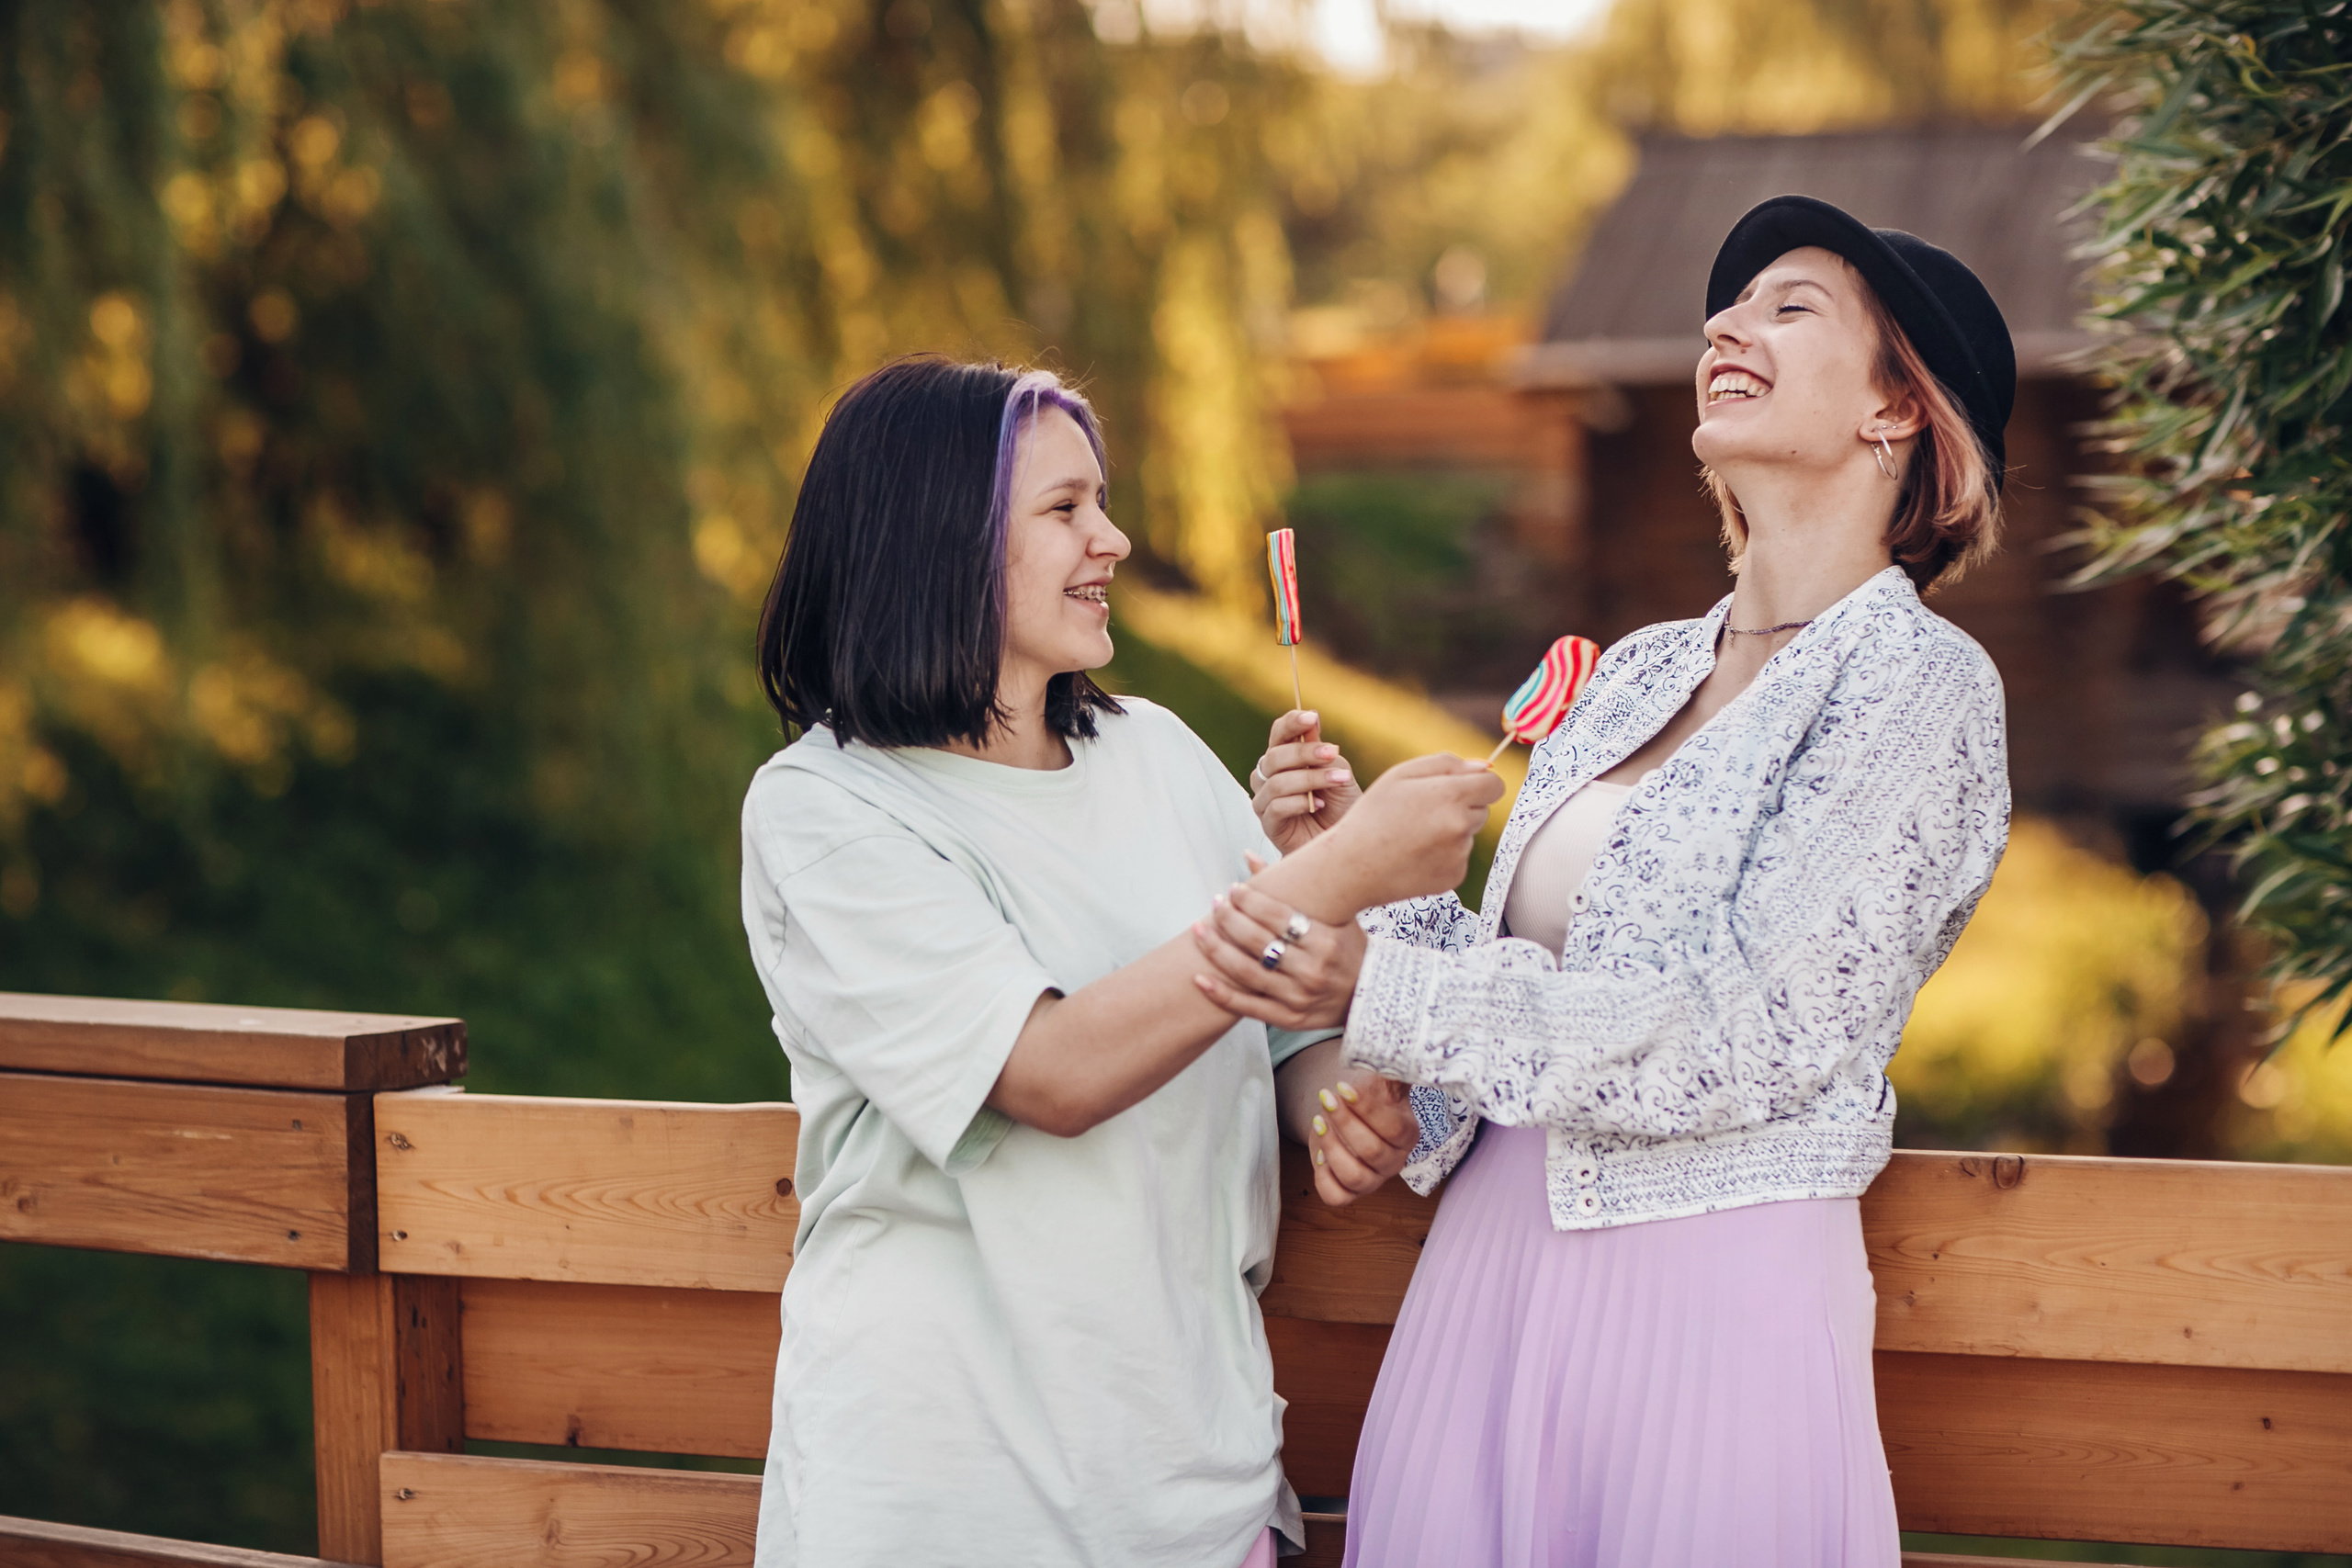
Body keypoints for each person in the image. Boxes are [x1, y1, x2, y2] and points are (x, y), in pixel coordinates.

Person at [1192, 197, 2017, 1566]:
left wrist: (1383, 988)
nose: (1724, 324)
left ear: (1898, 413)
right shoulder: (1637, 669)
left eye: (1788, 307)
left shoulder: (1925, 691)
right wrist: (1353, 875)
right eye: (1730, 305)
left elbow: (1751, 1031)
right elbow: (1537, 998)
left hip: (1710, 1315)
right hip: (1486, 1290)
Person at [739, 355, 1503, 1568]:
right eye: (1064, 509)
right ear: (937, 538)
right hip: (941, 1512)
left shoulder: (1156, 752)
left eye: (1101, 500)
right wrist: (1343, 870)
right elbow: (1050, 1070)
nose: (1116, 538)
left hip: (1194, 1502)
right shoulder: (825, 812)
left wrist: (1339, 1103)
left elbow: (1283, 1027)